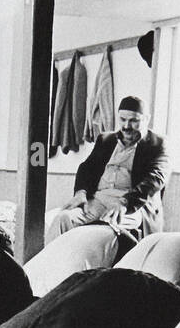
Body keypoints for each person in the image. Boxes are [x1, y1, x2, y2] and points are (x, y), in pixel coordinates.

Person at [44, 95, 170, 257]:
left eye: (134, 121)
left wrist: (125, 202)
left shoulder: (158, 144)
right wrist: (80, 193)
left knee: (104, 229)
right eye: (123, 119)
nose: (126, 126)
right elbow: (86, 167)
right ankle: (51, 268)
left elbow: (156, 178)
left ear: (147, 119)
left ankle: (91, 275)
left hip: (133, 206)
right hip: (98, 200)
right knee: (63, 218)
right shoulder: (106, 139)